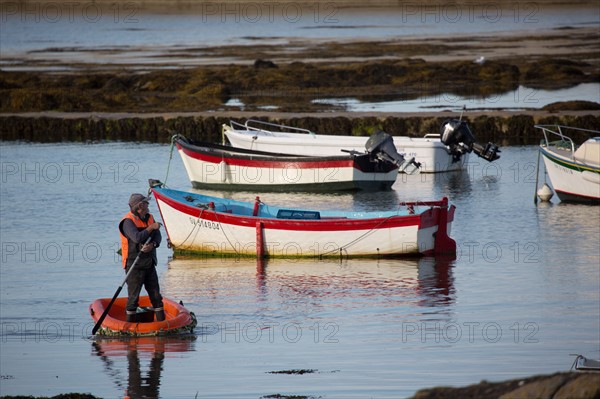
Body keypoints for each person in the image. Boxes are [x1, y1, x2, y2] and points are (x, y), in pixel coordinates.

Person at [119, 193, 164, 323]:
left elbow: (158, 236)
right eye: (146, 203)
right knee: (133, 299)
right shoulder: (127, 222)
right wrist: (151, 228)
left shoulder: (150, 218)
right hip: (134, 265)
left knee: (156, 296)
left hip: (149, 264)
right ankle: (130, 328)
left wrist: (153, 245)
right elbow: (137, 238)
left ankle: (162, 324)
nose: (148, 205)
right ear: (140, 206)